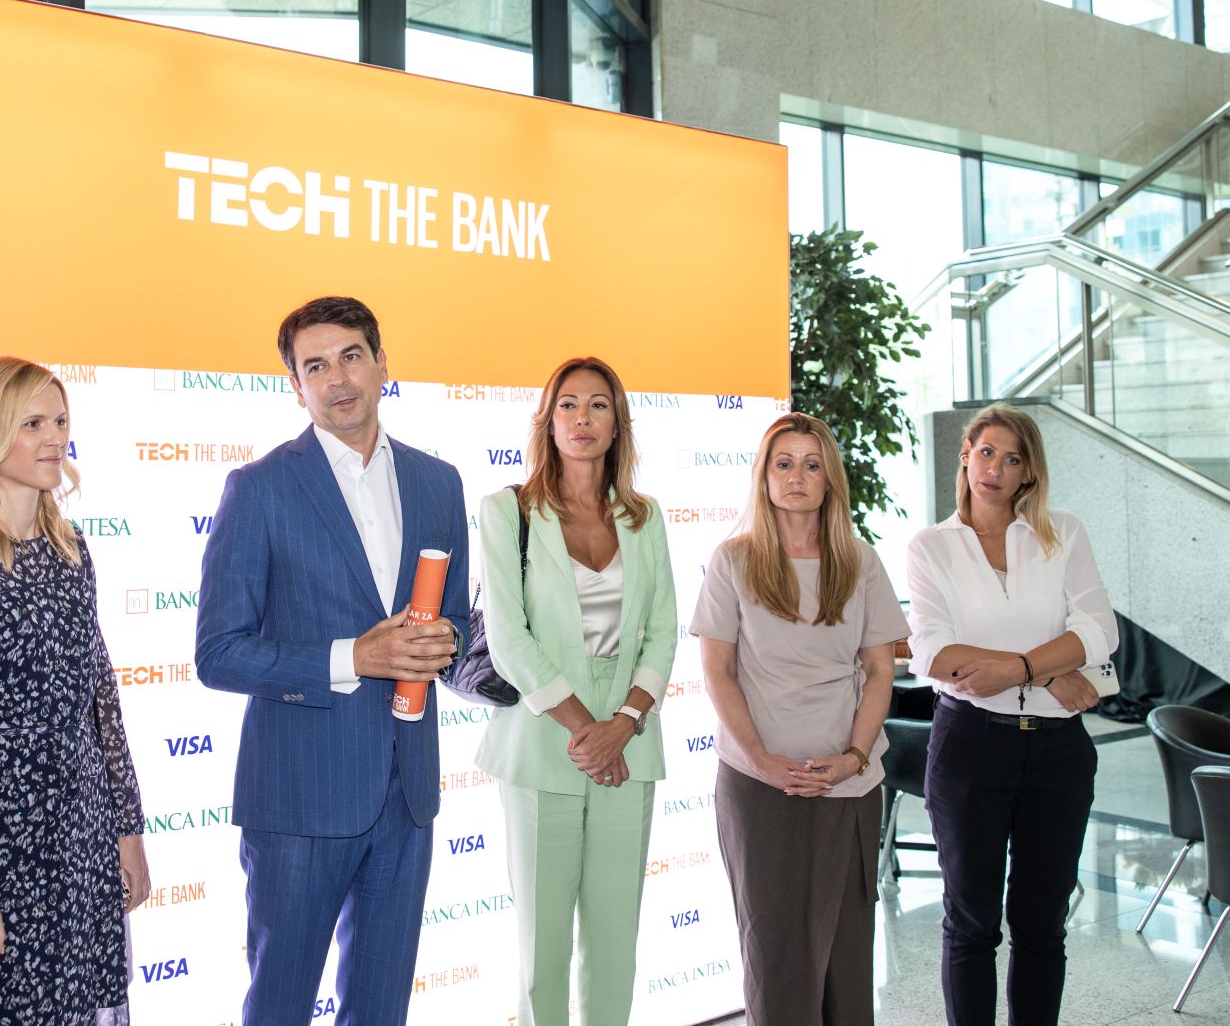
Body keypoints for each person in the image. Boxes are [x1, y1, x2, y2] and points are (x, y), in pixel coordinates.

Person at [195, 296, 470, 1026]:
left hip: (406, 794)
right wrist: (357, 656)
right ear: (295, 386)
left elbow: (454, 623)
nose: (337, 379)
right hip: (298, 800)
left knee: (380, 1012)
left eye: (350, 356)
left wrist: (443, 642)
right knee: (280, 1009)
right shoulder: (258, 489)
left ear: (382, 364)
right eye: (314, 366)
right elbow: (218, 653)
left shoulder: (438, 483)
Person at [0, 357, 148, 1025]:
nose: (54, 438)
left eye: (60, 421)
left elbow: (101, 701)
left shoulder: (70, 549)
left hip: (80, 839)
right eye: (32, 423)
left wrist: (128, 830)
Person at [475, 356, 677, 1026]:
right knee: (543, 949)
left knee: (616, 945)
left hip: (629, 742)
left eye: (597, 405)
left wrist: (622, 724)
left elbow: (663, 632)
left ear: (617, 423)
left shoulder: (644, 517)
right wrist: (588, 732)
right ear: (547, 419)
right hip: (543, 741)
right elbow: (508, 638)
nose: (582, 418)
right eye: (568, 404)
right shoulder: (507, 511)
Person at [690, 411, 904, 1026]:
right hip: (760, 786)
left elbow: (880, 671)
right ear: (763, 476)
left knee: (846, 960)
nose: (796, 477)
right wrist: (762, 760)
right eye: (783, 464)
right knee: (777, 956)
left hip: (849, 785)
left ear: (829, 478)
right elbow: (719, 672)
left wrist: (854, 758)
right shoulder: (733, 560)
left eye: (812, 465)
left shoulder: (860, 562)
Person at [907, 403, 1115, 1026]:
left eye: (1012, 458)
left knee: (1042, 923)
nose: (995, 468)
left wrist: (1017, 669)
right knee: (971, 923)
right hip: (971, 746)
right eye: (987, 452)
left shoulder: (1062, 532)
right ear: (966, 456)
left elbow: (1099, 631)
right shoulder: (931, 546)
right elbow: (933, 653)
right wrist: (1048, 667)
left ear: (1029, 473)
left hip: (1057, 752)